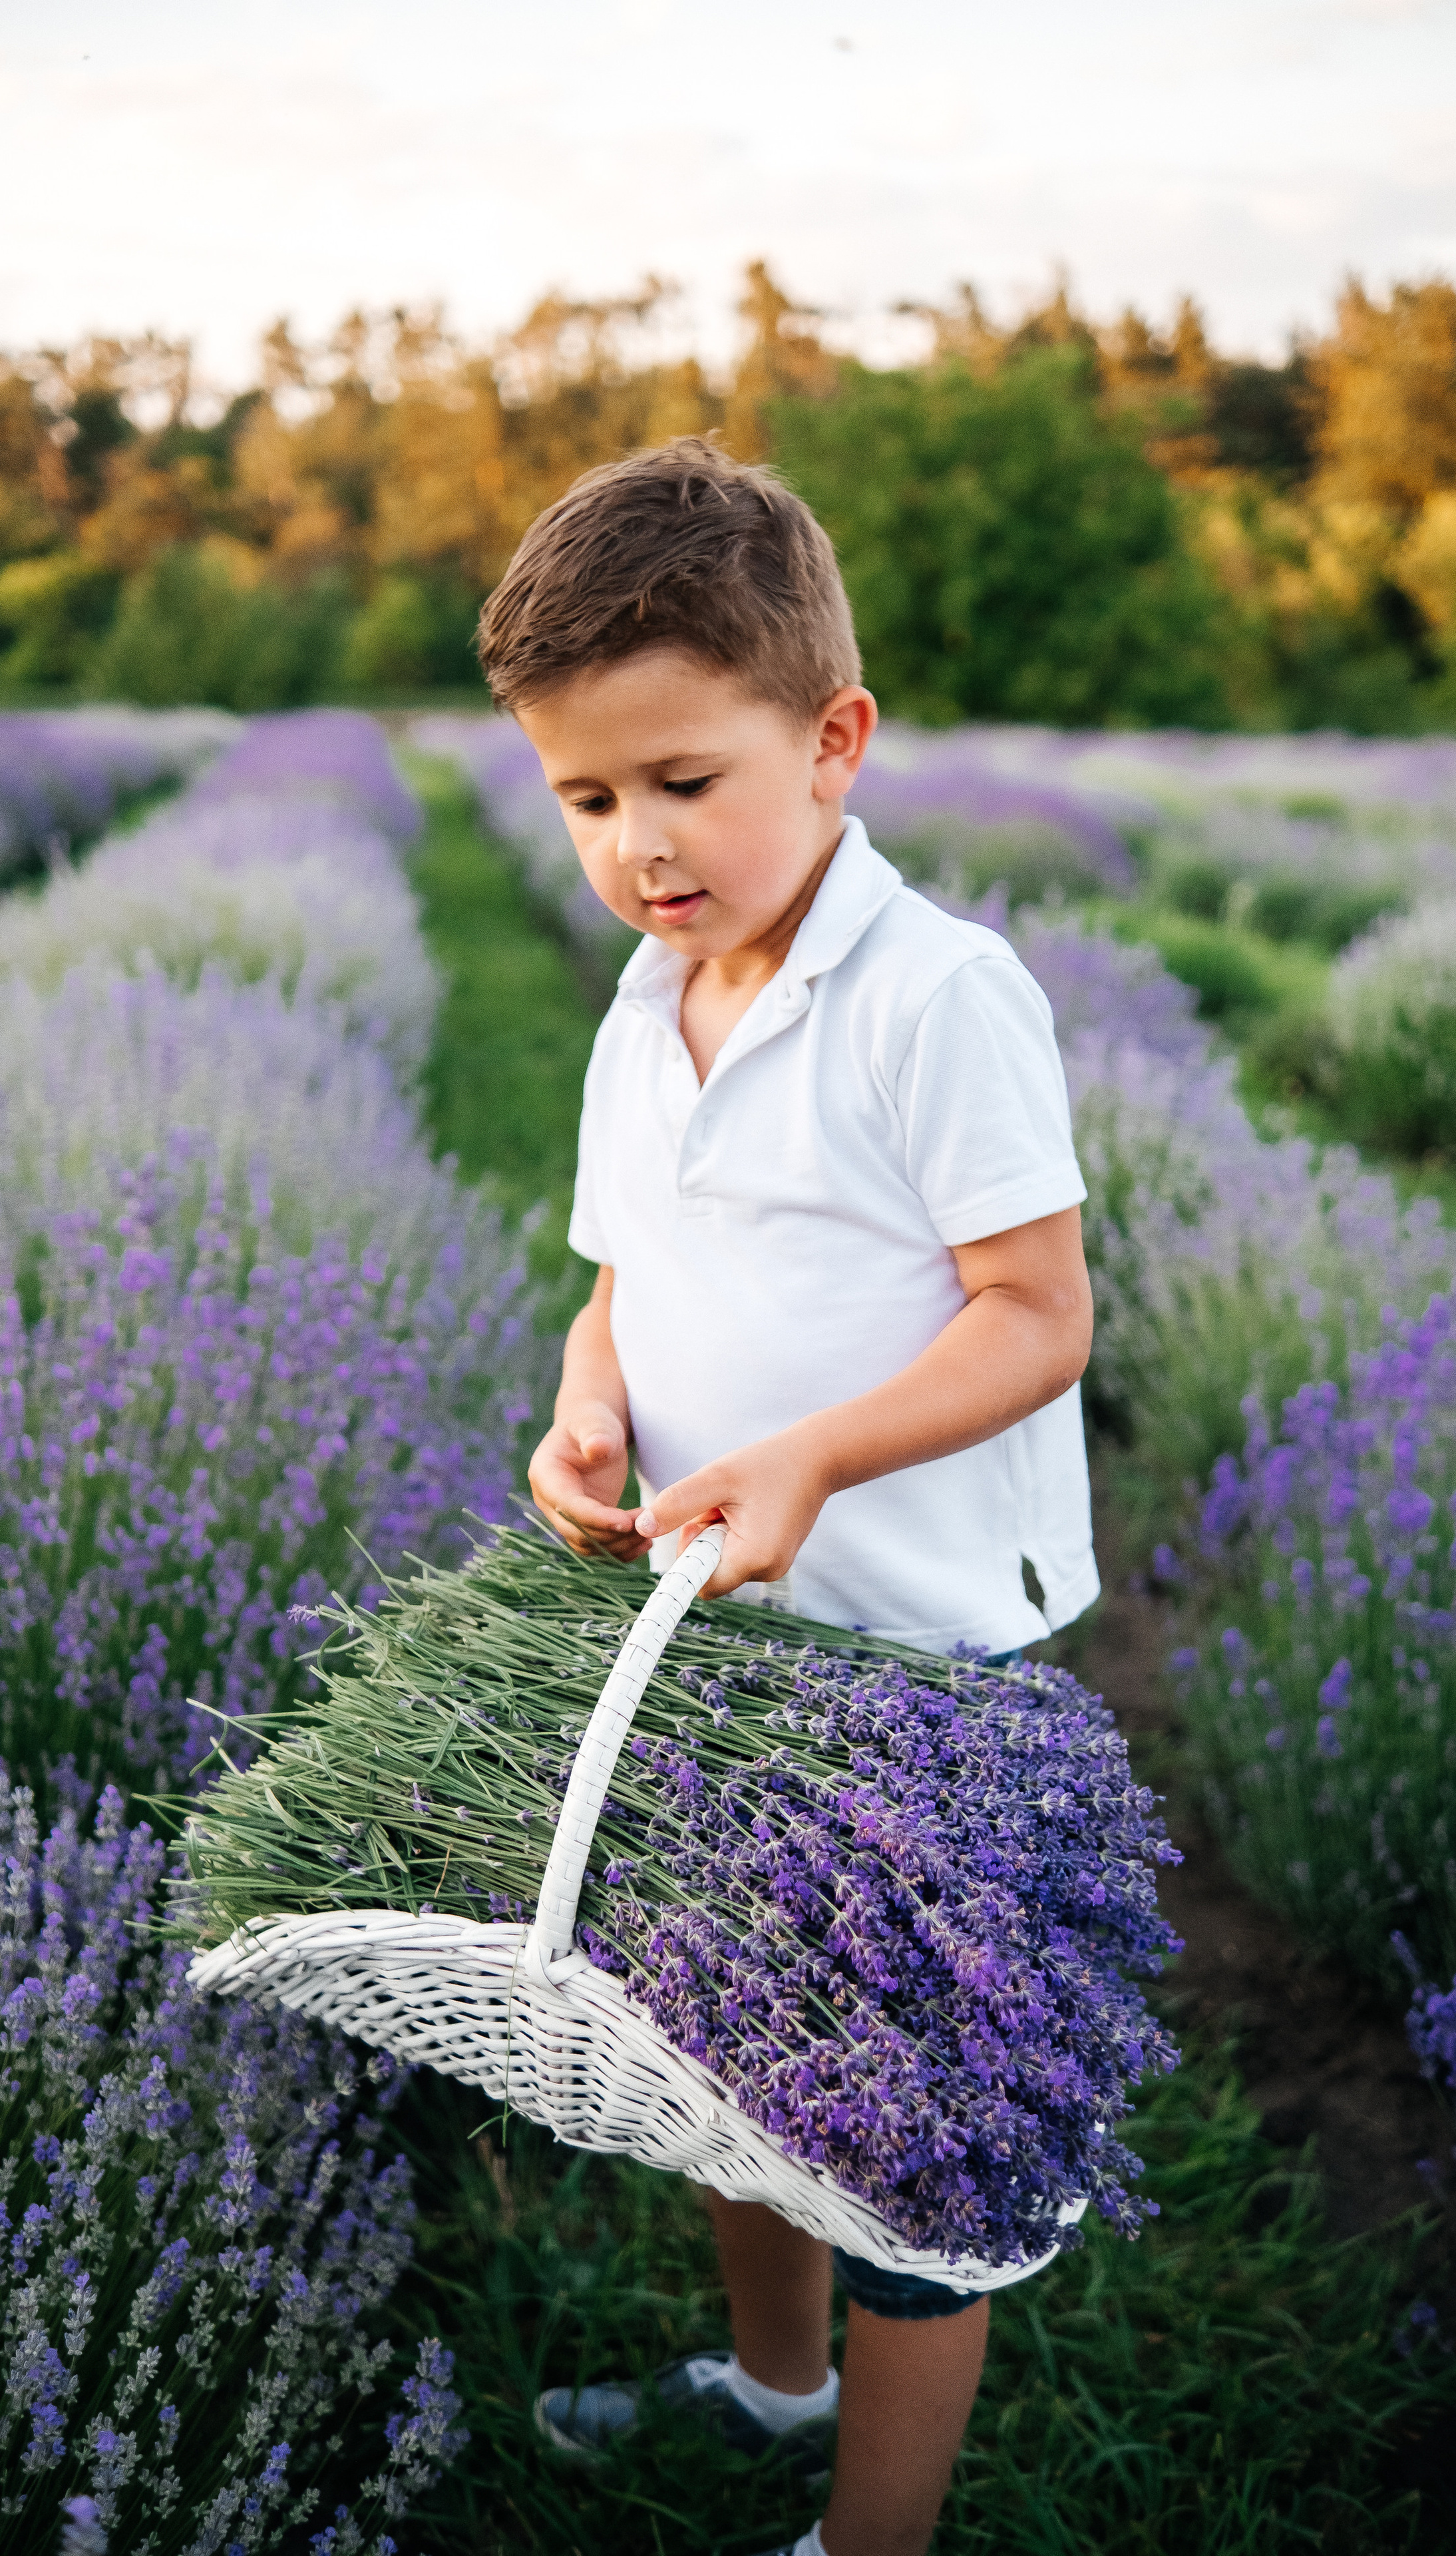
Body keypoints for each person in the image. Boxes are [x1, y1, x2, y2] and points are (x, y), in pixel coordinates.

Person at [478, 437, 1098, 2556]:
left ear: (834, 743)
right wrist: (588, 1408)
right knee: (734, 2054)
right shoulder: (645, 1007)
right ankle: (771, 2385)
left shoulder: (939, 998)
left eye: (684, 780)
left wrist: (820, 1452)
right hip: (727, 1634)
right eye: (587, 799)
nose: (638, 844)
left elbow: (1038, 1316)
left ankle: (872, 2536)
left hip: (927, 1653)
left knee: (913, 2135)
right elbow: (623, 1280)